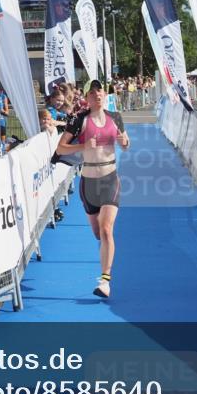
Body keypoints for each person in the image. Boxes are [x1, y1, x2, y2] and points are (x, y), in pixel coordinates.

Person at [56, 80, 130, 299]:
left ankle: (105, 280)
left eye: (100, 91)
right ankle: (106, 255)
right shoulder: (79, 119)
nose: (97, 94)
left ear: (105, 95)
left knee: (107, 229)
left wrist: (124, 142)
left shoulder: (115, 118)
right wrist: (83, 146)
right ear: (87, 97)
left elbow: (126, 144)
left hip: (110, 178)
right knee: (98, 233)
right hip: (88, 182)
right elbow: (61, 147)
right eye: (93, 91)